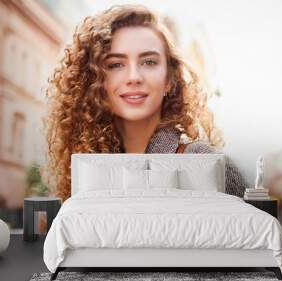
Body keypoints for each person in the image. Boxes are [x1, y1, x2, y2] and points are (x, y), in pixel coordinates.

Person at [43, 5, 248, 201]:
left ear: (169, 80)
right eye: (116, 64)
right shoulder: (85, 168)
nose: (134, 77)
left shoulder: (208, 161)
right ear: (95, 82)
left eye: (149, 62)